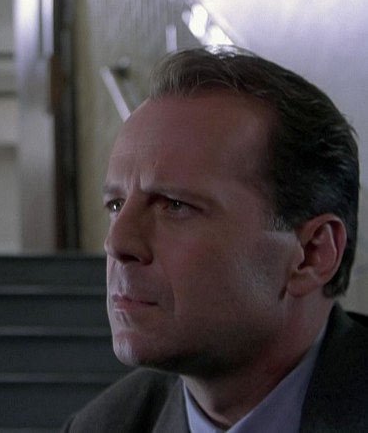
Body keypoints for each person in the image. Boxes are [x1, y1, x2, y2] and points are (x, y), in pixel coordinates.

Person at [63, 46, 368, 432]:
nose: (117, 243)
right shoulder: (103, 426)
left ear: (311, 253)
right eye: (115, 205)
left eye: (175, 205)